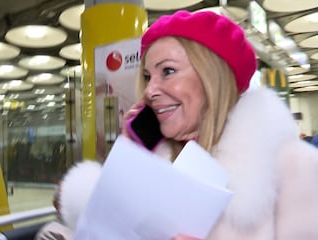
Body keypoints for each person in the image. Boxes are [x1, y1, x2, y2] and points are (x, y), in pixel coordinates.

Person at [120, 10, 318, 240]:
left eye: (168, 71)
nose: (149, 90)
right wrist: (129, 160)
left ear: (211, 78)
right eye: (147, 77)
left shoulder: (293, 165)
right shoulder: (153, 159)